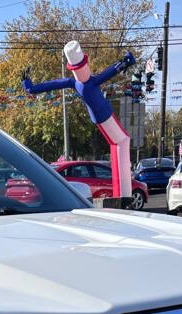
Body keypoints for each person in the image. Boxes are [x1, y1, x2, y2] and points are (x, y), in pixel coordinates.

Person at [22, 41, 136, 198]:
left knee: (120, 143)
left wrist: (29, 86)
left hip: (99, 117)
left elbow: (52, 85)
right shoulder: (89, 82)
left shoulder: (75, 83)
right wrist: (125, 61)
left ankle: (122, 194)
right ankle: (124, 195)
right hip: (105, 115)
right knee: (123, 141)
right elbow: (111, 71)